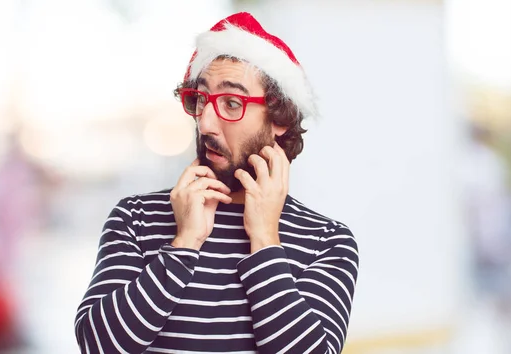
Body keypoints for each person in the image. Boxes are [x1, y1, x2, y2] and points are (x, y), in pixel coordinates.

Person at [75, 12, 359, 354]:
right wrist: (185, 243)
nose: (206, 122)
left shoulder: (326, 241)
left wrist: (266, 242)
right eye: (201, 99)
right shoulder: (136, 218)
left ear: (280, 117)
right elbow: (97, 345)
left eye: (232, 103)